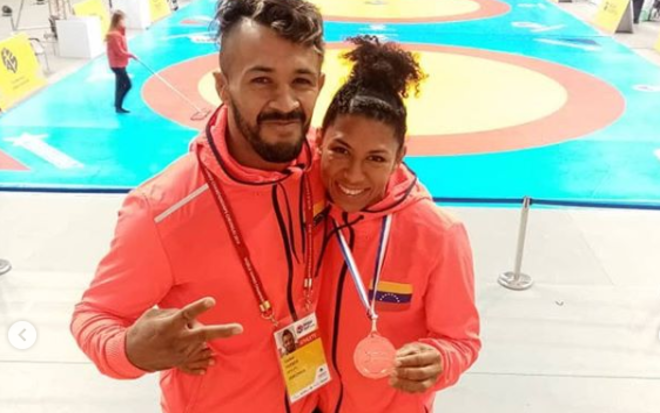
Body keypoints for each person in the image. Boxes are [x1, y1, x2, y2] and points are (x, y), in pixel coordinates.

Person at [70, 1, 327, 412]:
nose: (285, 103)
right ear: (223, 87)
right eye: (261, 80)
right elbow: (95, 316)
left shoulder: (333, 168)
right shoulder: (163, 209)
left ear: (320, 83)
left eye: (301, 80)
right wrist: (130, 351)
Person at [314, 36, 481, 413]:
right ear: (319, 140)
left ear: (399, 156)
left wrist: (440, 360)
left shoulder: (438, 234)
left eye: (376, 158)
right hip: (307, 403)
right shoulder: (298, 206)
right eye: (340, 150)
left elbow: (462, 340)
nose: (353, 175)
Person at [106, 10, 135, 114]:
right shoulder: (114, 35)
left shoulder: (119, 32)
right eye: (122, 20)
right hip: (117, 65)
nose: (124, 22)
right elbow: (119, 51)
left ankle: (117, 105)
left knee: (119, 85)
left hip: (120, 63)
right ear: (118, 21)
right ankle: (118, 105)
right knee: (127, 84)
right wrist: (131, 55)